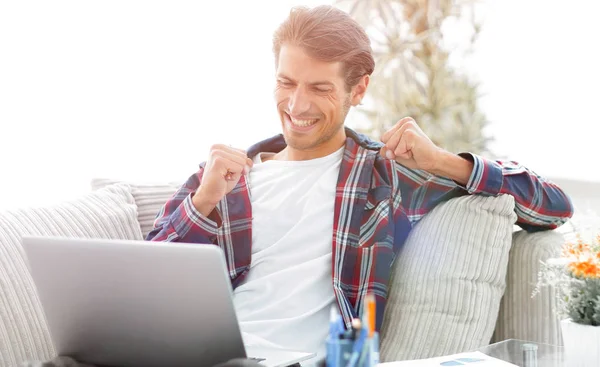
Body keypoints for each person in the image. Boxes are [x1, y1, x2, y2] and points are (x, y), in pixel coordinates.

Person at [146, 4, 573, 364]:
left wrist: (442, 161)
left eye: (319, 88)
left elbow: (553, 206)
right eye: (286, 82)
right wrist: (202, 203)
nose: (297, 105)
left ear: (360, 89)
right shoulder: (222, 178)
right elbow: (140, 289)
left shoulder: (384, 176)